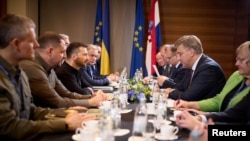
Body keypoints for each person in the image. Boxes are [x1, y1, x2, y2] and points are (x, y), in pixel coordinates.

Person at [0, 14, 95, 141]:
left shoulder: (19, 72)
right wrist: (65, 123)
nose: (36, 44)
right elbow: (10, 128)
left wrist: (66, 113)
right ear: (16, 44)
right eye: (31, 40)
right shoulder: (18, 72)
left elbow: (31, 110)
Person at [19, 31, 106, 108]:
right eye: (62, 52)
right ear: (50, 51)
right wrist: (90, 102)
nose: (65, 56)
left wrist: (91, 97)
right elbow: (57, 101)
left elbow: (66, 94)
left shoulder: (50, 68)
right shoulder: (34, 68)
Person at [175, 41, 250, 113]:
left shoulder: (209, 68)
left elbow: (235, 117)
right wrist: (189, 105)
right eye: (237, 59)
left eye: (241, 60)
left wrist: (205, 117)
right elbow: (218, 101)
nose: (236, 63)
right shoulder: (236, 75)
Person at [165, 35, 226, 101]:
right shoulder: (189, 66)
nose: (179, 58)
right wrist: (172, 90)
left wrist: (171, 92)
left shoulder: (209, 69)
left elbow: (189, 97)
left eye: (180, 54)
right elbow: (181, 87)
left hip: (206, 110)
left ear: (191, 52)